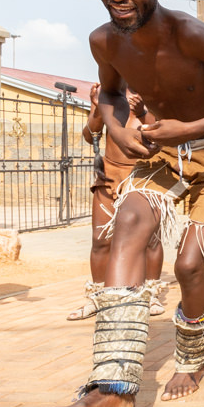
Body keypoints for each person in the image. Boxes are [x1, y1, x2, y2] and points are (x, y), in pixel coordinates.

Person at [41, 0, 204, 407]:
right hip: (162, 154)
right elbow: (107, 93)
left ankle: (192, 357)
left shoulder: (190, 33)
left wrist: (188, 129)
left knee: (189, 267)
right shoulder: (103, 40)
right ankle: (114, 383)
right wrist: (121, 131)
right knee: (127, 224)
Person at [69, 84, 165, 321]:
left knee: (150, 241)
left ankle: (150, 293)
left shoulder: (157, 89)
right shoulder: (110, 92)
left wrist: (143, 112)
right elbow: (90, 136)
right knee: (100, 239)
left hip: (145, 175)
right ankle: (98, 296)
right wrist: (96, 107)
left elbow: (162, 135)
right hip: (109, 174)